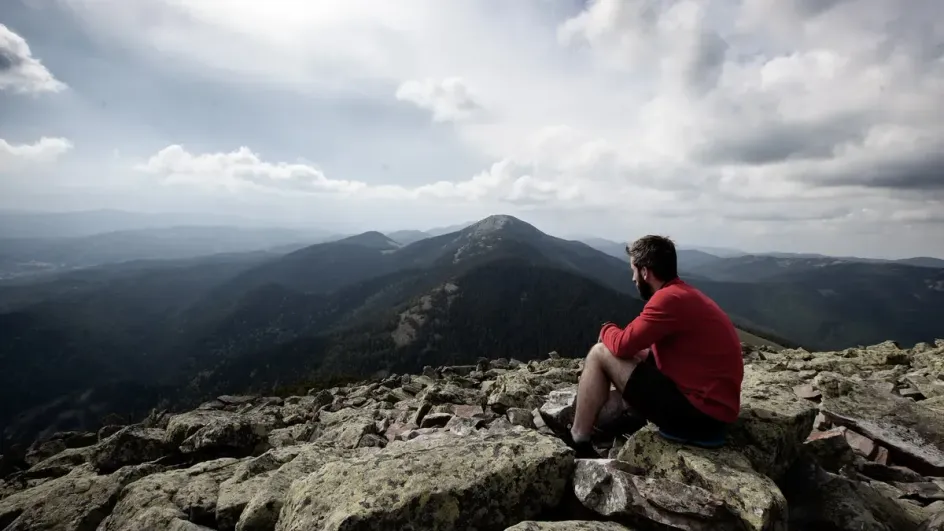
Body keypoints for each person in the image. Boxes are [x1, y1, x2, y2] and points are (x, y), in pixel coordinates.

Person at [562, 235, 744, 458]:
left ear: (645, 272)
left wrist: (605, 329)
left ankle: (578, 439)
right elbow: (662, 353)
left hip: (698, 419)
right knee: (638, 354)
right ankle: (612, 421)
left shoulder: (667, 299)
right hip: (714, 416)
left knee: (600, 352)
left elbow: (620, 345)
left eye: (634, 271)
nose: (633, 278)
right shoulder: (685, 294)